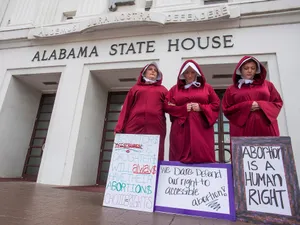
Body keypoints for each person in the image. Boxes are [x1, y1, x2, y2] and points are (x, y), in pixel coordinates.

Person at [165, 59, 220, 163]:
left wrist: (201, 107)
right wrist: (182, 108)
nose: (189, 75)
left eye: (192, 72)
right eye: (186, 72)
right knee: (179, 154)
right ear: (182, 74)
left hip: (201, 127)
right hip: (181, 128)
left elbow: (216, 104)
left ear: (197, 73)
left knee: (202, 154)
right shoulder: (174, 89)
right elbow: (166, 106)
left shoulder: (207, 88)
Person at [115, 62, 168, 160]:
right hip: (133, 126)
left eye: (155, 70)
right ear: (144, 73)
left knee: (153, 153)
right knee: (132, 152)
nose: (153, 71)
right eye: (150, 69)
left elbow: (170, 106)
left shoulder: (163, 90)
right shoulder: (135, 89)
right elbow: (126, 108)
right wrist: (119, 128)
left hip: (156, 127)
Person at [222, 56, 283, 137]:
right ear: (240, 70)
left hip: (266, 127)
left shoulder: (268, 85)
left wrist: (261, 105)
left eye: (253, 68)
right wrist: (247, 106)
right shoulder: (231, 89)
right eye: (246, 68)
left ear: (256, 70)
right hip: (243, 129)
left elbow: (277, 103)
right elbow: (226, 109)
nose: (249, 70)